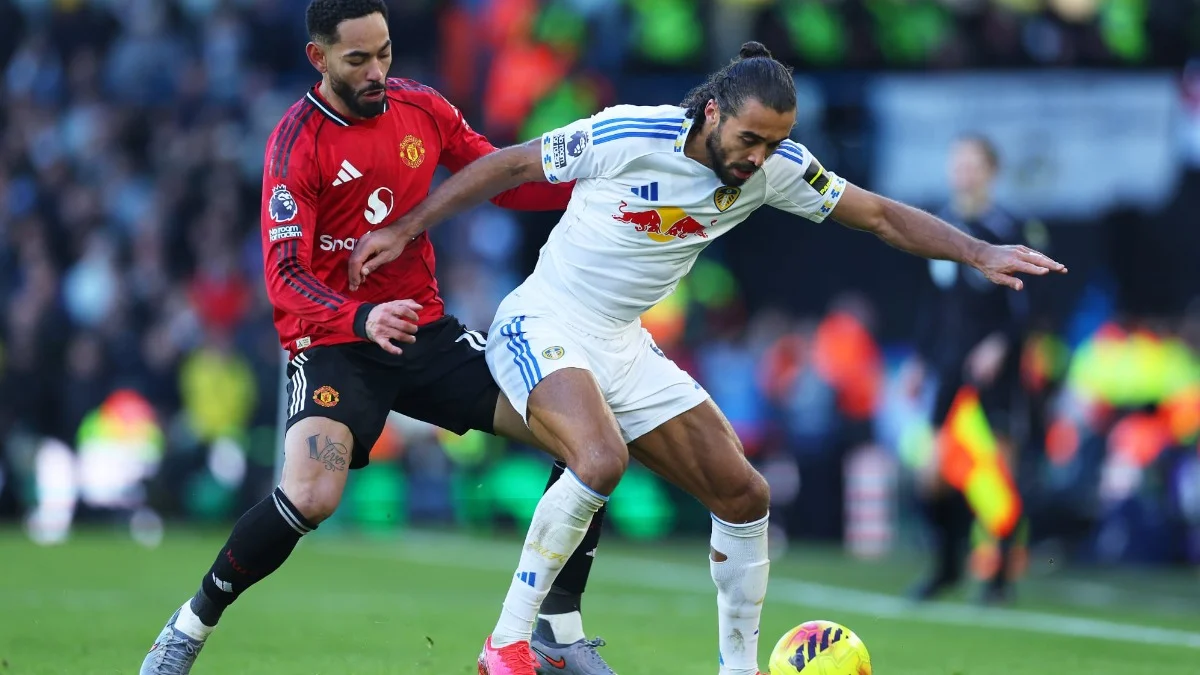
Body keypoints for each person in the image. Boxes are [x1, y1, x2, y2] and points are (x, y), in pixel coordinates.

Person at [348, 41, 1067, 675]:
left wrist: (977, 250)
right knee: (598, 461)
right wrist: (410, 227)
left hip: (624, 343)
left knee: (745, 494)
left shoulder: (776, 168)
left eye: (775, 142)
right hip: (543, 321)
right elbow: (507, 167)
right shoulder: (630, 132)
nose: (759, 157)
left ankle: (738, 667)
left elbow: (877, 214)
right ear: (714, 112)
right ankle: (507, 644)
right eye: (751, 137)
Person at [139, 2, 616, 673]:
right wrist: (361, 317)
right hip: (336, 342)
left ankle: (556, 631)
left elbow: (500, 180)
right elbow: (282, 278)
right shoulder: (296, 143)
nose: (377, 72)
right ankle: (189, 625)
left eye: (385, 53)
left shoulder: (421, 109)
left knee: (585, 440)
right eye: (358, 59)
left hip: (423, 331)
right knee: (311, 496)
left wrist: (595, 186)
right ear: (319, 58)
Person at [906, 134, 1033, 605]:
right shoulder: (940, 226)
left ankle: (1000, 577)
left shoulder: (1010, 226)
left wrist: (999, 345)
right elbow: (934, 304)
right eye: (957, 163)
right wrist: (920, 359)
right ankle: (946, 567)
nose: (964, 172)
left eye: (973, 164)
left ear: (991, 171)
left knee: (997, 475)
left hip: (994, 376)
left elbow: (1030, 306)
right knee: (932, 474)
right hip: (948, 369)